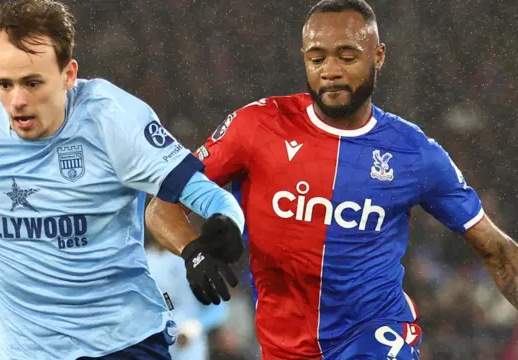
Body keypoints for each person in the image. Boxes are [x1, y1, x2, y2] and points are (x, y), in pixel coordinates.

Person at [145, 0, 518, 359]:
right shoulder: (256, 127)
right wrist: (193, 251)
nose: (330, 70)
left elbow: (497, 251)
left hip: (377, 335)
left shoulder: (415, 153)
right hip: (283, 347)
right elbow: (162, 206)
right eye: (317, 57)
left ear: (379, 56)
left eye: (347, 56)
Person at [0, 0, 246, 359]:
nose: (16, 101)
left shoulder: (112, 120)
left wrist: (222, 229)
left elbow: (210, 197)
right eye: (4, 83)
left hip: (122, 345)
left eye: (32, 83)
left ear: (69, 74)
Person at [145, 241, 229, 360]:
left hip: (188, 351)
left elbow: (219, 308)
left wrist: (195, 326)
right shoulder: (143, 259)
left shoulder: (194, 261)